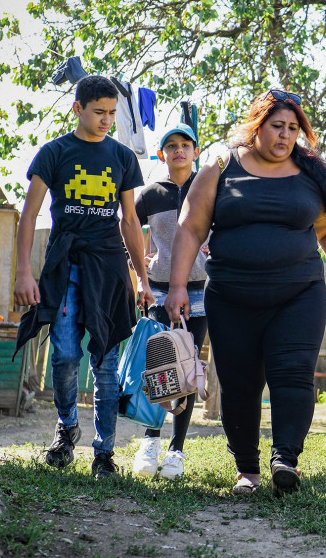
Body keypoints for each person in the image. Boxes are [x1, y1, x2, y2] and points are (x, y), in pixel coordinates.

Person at [164, 89, 326, 495]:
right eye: (277, 127)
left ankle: (285, 459)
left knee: (293, 375)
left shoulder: (311, 172)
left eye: (293, 128)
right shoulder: (221, 164)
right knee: (238, 383)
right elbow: (191, 227)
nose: (285, 136)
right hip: (232, 297)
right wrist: (178, 285)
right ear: (257, 125)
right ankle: (247, 471)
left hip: (298, 294)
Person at [14, 75, 155, 480]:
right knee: (64, 355)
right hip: (64, 266)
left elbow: (129, 220)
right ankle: (66, 426)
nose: (107, 120)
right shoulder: (54, 153)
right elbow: (29, 216)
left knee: (107, 363)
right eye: (99, 112)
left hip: (108, 268)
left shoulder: (123, 157)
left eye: (112, 113)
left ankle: (104, 452)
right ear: (77, 108)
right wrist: (25, 272)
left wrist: (142, 280)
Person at [131, 123, 209, 479]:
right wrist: (141, 276)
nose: (179, 150)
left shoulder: (209, 189)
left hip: (202, 291)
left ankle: (176, 451)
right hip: (160, 290)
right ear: (162, 153)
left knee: (187, 368)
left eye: (185, 145)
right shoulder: (151, 194)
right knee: (159, 365)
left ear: (195, 152)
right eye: (171, 146)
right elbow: (127, 230)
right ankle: (150, 441)